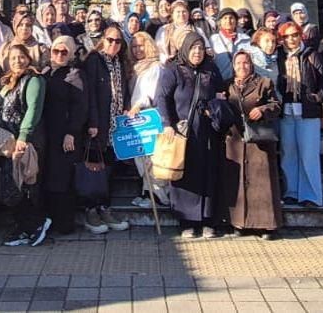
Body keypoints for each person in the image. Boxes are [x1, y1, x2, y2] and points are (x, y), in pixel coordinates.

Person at [155, 33, 225, 239]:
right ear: (186, 49)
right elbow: (162, 98)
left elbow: (220, 93)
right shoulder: (173, 70)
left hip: (207, 129)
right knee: (185, 174)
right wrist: (167, 124)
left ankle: (207, 220)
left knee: (208, 173)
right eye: (193, 48)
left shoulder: (211, 69)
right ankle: (187, 221)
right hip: (183, 130)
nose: (197, 52)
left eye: (201, 49)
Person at [0, 44, 52, 247]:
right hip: (7, 141)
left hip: (26, 141)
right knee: (12, 185)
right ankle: (22, 226)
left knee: (26, 183)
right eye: (13, 58)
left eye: (21, 57)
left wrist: (23, 137)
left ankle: (35, 223)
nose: (17, 61)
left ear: (28, 58)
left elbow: (33, 109)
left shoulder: (33, 80)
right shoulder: (9, 81)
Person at [222, 51, 282, 239]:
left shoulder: (264, 83)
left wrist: (263, 109)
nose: (242, 66)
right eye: (238, 63)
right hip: (236, 140)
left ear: (251, 64)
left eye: (246, 62)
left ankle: (266, 226)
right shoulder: (227, 85)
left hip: (259, 140)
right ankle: (239, 223)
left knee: (261, 183)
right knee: (237, 183)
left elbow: (277, 105)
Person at [81, 25, 131, 234]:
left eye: (118, 41)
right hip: (98, 124)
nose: (113, 44)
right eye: (110, 40)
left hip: (115, 125)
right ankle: (91, 210)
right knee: (95, 169)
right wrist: (92, 122)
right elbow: (90, 92)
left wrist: (127, 107)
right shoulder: (94, 60)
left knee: (108, 168)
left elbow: (123, 90)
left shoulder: (120, 62)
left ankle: (105, 207)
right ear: (103, 39)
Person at [276, 22, 323, 207]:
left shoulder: (311, 54)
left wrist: (317, 97)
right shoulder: (280, 56)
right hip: (287, 111)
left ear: (300, 35)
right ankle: (291, 192)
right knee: (288, 154)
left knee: (309, 155)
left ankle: (311, 195)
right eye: (287, 36)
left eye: (294, 35)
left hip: (308, 111)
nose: (291, 39)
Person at [41, 35, 88, 234]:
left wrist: (72, 133)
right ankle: (49, 220)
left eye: (64, 52)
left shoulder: (75, 74)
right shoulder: (45, 72)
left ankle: (64, 223)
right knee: (49, 178)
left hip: (65, 135)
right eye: (56, 51)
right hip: (46, 133)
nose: (59, 55)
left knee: (62, 179)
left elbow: (80, 107)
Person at [126, 32, 168, 208]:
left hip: (149, 115)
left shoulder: (155, 67)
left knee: (152, 157)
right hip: (136, 116)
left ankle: (159, 196)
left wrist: (138, 106)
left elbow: (150, 92)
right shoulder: (135, 67)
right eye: (134, 46)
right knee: (142, 157)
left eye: (141, 45)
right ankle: (147, 192)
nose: (137, 50)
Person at [209, 7, 250, 83]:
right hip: (221, 82)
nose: (228, 21)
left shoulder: (246, 39)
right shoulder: (214, 39)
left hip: (242, 82)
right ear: (220, 22)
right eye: (225, 18)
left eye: (231, 18)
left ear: (236, 21)